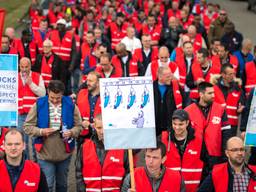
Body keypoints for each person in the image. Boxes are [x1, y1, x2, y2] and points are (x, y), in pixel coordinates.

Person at [24, 80, 82, 192]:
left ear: (62, 94)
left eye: (58, 98)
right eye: (52, 98)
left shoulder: (71, 104)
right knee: (48, 185)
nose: (55, 101)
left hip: (65, 153)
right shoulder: (39, 104)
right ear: (48, 92)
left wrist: (71, 132)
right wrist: (41, 131)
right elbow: (27, 126)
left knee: (62, 185)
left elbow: (79, 126)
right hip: (44, 153)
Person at [76, 114, 129, 192]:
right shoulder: (84, 147)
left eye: (105, 128)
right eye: (99, 128)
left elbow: (128, 174)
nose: (102, 132)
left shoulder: (121, 148)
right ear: (94, 127)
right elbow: (78, 173)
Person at [185, 82, 232, 167]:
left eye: (213, 92)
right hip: (195, 154)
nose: (213, 95)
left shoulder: (220, 109)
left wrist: (225, 154)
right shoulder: (188, 111)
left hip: (214, 155)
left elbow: (226, 133)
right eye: (210, 93)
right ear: (201, 94)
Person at [162, 109, 209, 191]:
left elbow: (206, 164)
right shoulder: (164, 139)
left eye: (181, 124)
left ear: (187, 123)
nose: (177, 127)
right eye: (174, 124)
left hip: (193, 188)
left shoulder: (199, 140)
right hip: (170, 187)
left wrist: (201, 186)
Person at [121, 140, 186, 192]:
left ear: (163, 159)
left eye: (155, 157)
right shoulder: (132, 176)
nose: (150, 161)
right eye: (148, 156)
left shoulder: (177, 178)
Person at [18, 57, 46, 159]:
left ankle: (36, 163)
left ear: (30, 66)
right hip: (20, 114)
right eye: (22, 67)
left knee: (35, 141)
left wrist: (31, 84)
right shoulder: (14, 77)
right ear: (19, 66)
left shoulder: (37, 76)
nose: (24, 69)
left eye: (26, 66)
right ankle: (25, 163)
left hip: (34, 115)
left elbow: (43, 93)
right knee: (22, 142)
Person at [211, 64, 245, 136]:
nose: (233, 76)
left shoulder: (238, 89)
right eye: (230, 74)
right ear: (223, 75)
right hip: (217, 123)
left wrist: (241, 108)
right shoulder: (214, 89)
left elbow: (242, 103)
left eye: (233, 74)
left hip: (232, 125)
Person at [153, 66, 184, 136]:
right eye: (167, 77)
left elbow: (183, 102)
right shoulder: (151, 87)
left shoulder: (176, 87)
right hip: (155, 125)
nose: (170, 78)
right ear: (160, 77)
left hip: (170, 124)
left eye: (171, 76)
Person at [76, 71, 101, 138]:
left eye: (90, 81)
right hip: (83, 134)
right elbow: (75, 112)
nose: (87, 83)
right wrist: (81, 122)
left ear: (98, 83)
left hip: (100, 135)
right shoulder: (81, 93)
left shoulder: (106, 96)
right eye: (87, 80)